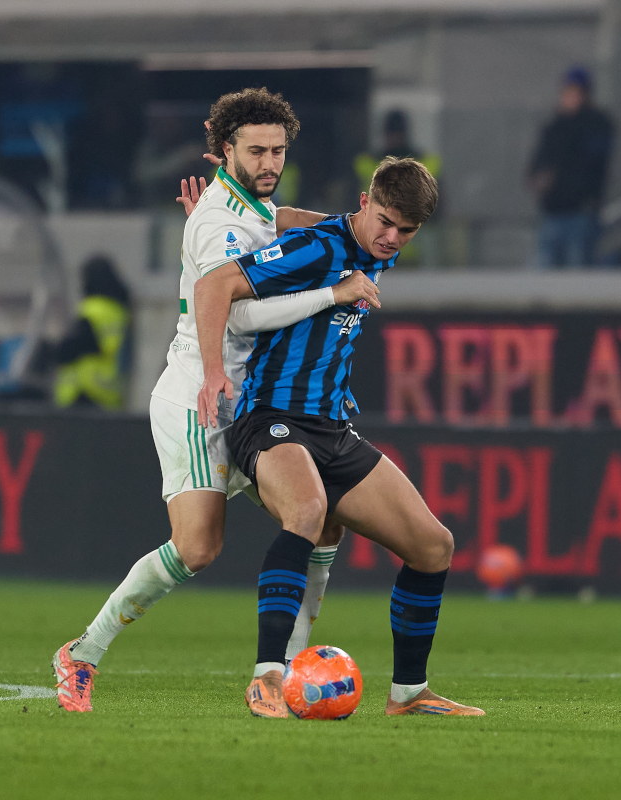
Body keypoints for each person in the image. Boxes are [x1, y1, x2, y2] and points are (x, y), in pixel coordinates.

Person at [51, 88, 378, 713]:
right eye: (256, 150)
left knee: (321, 515)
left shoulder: (249, 204)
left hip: (248, 403)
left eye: (278, 150)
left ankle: (284, 675)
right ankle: (82, 653)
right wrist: (335, 293)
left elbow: (278, 219)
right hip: (200, 400)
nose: (270, 162)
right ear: (224, 151)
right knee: (199, 547)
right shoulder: (219, 222)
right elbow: (243, 315)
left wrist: (344, 225)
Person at [194, 157, 484, 718]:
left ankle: (408, 695)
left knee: (434, 546)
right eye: (384, 221)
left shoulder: (372, 244)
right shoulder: (322, 250)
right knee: (306, 509)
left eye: (406, 231)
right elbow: (219, 284)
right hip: (268, 419)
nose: (391, 238)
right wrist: (213, 372)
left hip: (331, 427)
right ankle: (266, 680)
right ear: (364, 201)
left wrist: (264, 214)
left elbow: (290, 218)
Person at [527, 66, 615, 268]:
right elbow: (538, 164)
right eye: (567, 92)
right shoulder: (554, 127)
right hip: (553, 213)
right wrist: (539, 179)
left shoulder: (597, 125)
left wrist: (556, 177)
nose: (569, 98)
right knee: (544, 272)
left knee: (578, 273)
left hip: (581, 214)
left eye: (575, 92)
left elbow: (587, 166)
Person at [53, 256, 132, 410]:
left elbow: (68, 350)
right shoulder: (120, 312)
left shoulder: (92, 309)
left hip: (84, 392)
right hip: (110, 395)